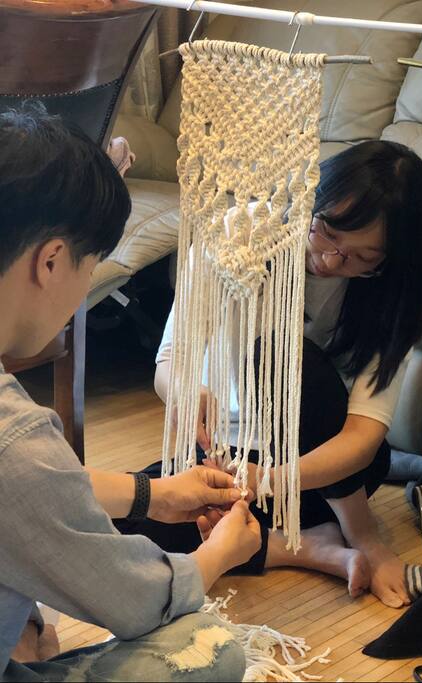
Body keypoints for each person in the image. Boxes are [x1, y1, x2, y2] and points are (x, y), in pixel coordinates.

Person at [0, 102, 261, 683]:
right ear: (51, 261)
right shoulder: (14, 435)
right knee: (210, 649)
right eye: (91, 266)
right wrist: (217, 555)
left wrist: (154, 495)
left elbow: (30, 493)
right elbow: (138, 601)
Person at [121, 140, 422, 610]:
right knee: (127, 520)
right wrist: (188, 394)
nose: (331, 260)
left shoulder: (391, 294)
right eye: (327, 232)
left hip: (327, 475)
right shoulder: (240, 235)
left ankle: (359, 534)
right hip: (235, 462)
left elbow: (363, 436)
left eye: (363, 258)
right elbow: (170, 361)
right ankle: (304, 546)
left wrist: (272, 480)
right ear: (310, 199)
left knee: (280, 357)